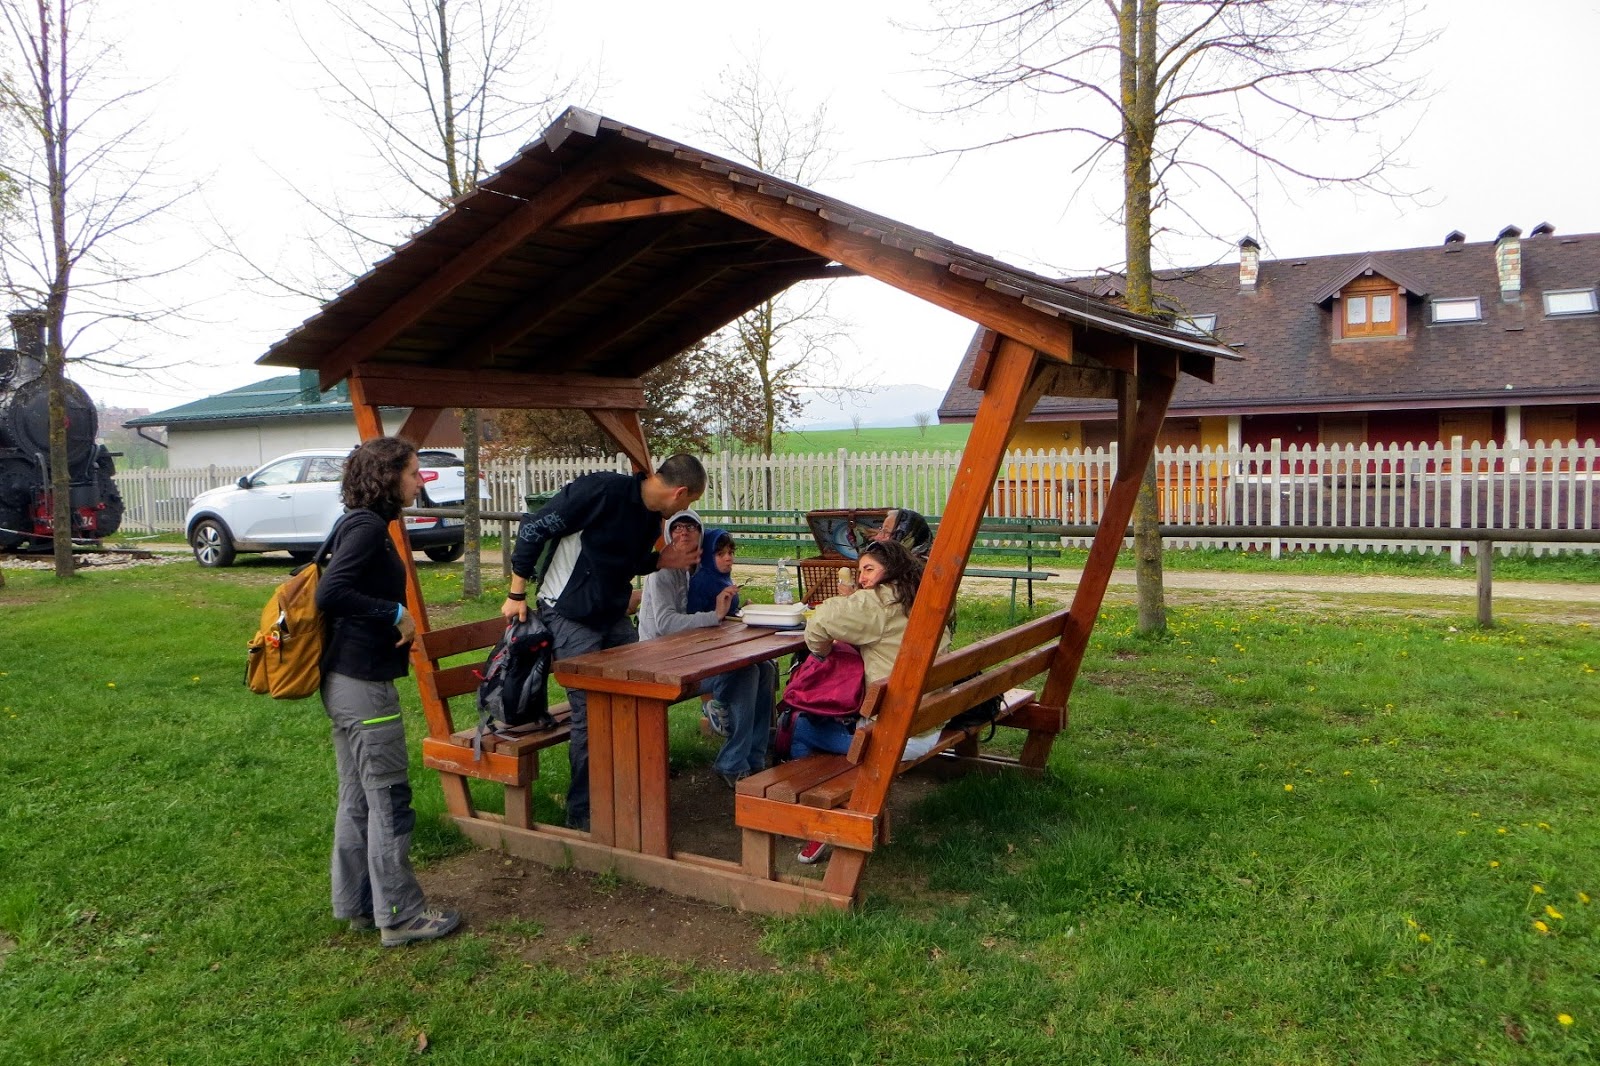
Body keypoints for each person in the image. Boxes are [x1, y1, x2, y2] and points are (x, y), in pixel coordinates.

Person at [501, 454, 705, 831]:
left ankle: (630, 795)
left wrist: (659, 562)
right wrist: (516, 594)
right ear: (679, 493)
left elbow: (620, 560)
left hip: (609, 617)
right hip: (568, 613)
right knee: (592, 711)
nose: (686, 509)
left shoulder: (649, 518)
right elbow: (533, 528)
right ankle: (585, 814)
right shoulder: (602, 491)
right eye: (689, 502)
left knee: (641, 692)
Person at [316, 436, 460, 948]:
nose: (421, 480)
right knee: (389, 799)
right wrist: (393, 612)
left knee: (358, 796)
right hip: (364, 686)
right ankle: (399, 915)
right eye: (415, 472)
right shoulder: (366, 528)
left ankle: (357, 904)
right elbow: (331, 592)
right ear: (388, 477)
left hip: (344, 681)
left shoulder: (358, 524)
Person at [790, 537, 949, 864]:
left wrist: (820, 653)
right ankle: (819, 810)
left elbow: (819, 623)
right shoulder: (921, 596)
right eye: (860, 569)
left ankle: (814, 819)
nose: (861, 576)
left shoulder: (878, 604)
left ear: (888, 571)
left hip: (896, 736)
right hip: (931, 721)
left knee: (799, 725)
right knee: (829, 720)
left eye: (868, 569)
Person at [639, 513, 776, 786]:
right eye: (676, 528)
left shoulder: (696, 570)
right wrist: (714, 616)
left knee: (766, 668)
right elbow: (666, 625)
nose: (683, 533)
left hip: (692, 654)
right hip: (661, 663)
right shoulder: (663, 572)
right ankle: (731, 762)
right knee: (746, 672)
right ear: (668, 535)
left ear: (700, 535)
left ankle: (755, 757)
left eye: (690, 527)